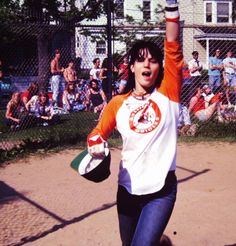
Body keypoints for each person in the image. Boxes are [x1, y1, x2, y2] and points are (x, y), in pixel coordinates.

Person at [86, 1, 182, 245]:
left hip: (161, 191)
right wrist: (95, 145)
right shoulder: (118, 103)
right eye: (140, 60)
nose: (147, 65)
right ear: (131, 67)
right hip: (127, 191)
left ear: (160, 68)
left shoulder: (168, 92)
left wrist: (171, 7)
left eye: (153, 60)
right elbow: (98, 133)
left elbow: (172, 46)